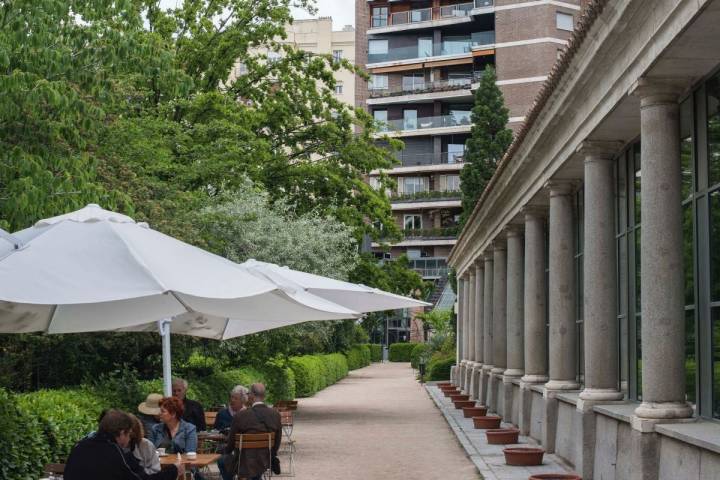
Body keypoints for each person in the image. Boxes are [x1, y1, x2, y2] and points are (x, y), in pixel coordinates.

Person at [64, 409, 183, 480]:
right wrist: (173, 470)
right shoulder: (114, 451)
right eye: (129, 434)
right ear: (121, 433)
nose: (129, 439)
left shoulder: (80, 445)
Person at [220, 383, 281, 480]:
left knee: (222, 461)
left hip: (244, 461)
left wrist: (224, 451)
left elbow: (231, 444)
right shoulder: (275, 414)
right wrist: (270, 454)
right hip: (266, 460)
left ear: (251, 395)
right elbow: (277, 442)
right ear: (264, 396)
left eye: (248, 393)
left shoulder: (241, 415)